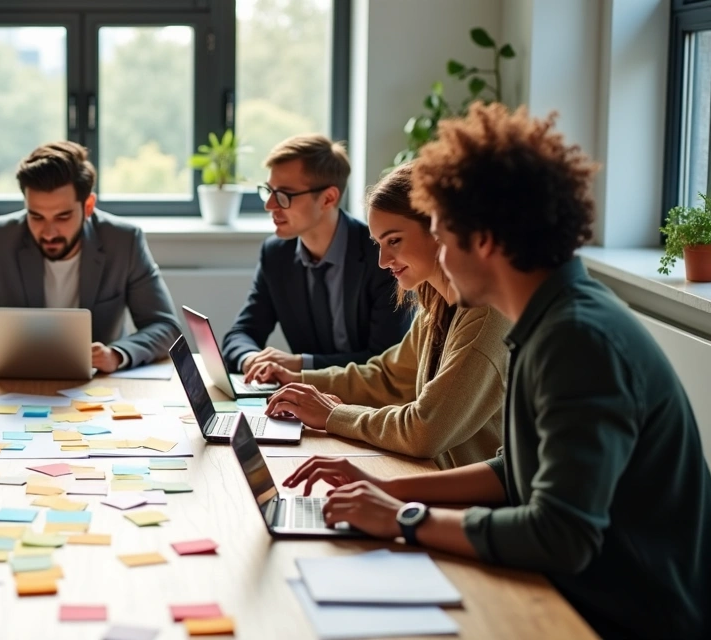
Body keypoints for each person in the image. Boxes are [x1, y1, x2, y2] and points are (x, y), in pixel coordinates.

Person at [285, 103, 710, 639]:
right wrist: (385, 490)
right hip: (577, 594)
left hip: (622, 619)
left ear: (481, 238)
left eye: (439, 230)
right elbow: (516, 469)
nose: (436, 247)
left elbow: (559, 534)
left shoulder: (576, 338)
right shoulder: (550, 318)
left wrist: (404, 519)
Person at [246, 163, 508, 469]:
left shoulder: (486, 314)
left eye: (394, 240)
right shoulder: (436, 301)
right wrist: (300, 380)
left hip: (474, 501)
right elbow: (390, 377)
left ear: (439, 230)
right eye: (378, 244)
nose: (382, 261)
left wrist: (332, 415)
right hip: (432, 477)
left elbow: (424, 430)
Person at [0, 141, 179, 373]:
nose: (49, 232)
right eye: (36, 216)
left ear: (88, 206)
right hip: (16, 385)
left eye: (62, 217)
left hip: (99, 388)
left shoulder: (124, 241)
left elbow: (166, 327)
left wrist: (116, 355)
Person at [222, 134, 411, 377]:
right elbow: (241, 333)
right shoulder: (276, 255)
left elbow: (385, 359)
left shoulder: (382, 256)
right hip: (305, 398)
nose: (270, 205)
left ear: (328, 198)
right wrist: (251, 360)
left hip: (370, 403)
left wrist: (301, 363)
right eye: (268, 191)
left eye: (284, 195)